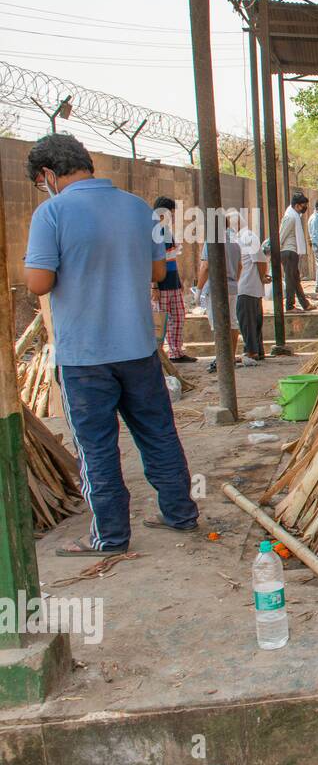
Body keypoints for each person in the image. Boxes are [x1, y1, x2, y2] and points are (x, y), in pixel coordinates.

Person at [23, 135, 200, 555]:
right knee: (158, 433)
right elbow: (159, 272)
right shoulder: (138, 208)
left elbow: (39, 282)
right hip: (137, 347)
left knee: (96, 446)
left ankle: (110, 536)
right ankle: (180, 514)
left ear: (48, 174)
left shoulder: (51, 213)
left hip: (85, 356)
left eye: (40, 181)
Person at [151, 196, 194, 362]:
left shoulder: (166, 230)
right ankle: (159, 353)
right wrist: (154, 286)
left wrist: (179, 280)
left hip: (172, 281)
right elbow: (151, 259)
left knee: (177, 317)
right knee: (160, 319)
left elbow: (171, 257)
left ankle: (176, 352)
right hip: (161, 285)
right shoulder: (153, 230)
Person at [198, 213, 243, 373]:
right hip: (231, 287)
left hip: (216, 288)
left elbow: (205, 267)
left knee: (218, 324)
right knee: (232, 322)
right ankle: (230, 356)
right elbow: (239, 267)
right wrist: (233, 281)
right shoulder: (234, 243)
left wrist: (198, 288)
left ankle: (222, 357)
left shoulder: (211, 242)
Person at [232, 211, 267, 360]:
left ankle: (252, 351)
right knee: (252, 320)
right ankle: (256, 350)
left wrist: (262, 278)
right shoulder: (242, 237)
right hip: (249, 286)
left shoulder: (248, 237)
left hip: (247, 286)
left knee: (247, 321)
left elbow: (260, 261)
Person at [280, 191, 313, 311]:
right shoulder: (290, 217)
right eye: (303, 205)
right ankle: (289, 306)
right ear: (297, 205)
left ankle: (305, 304)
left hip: (292, 252)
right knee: (290, 279)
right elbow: (281, 236)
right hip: (288, 252)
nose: (305, 208)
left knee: (295, 279)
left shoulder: (294, 216)